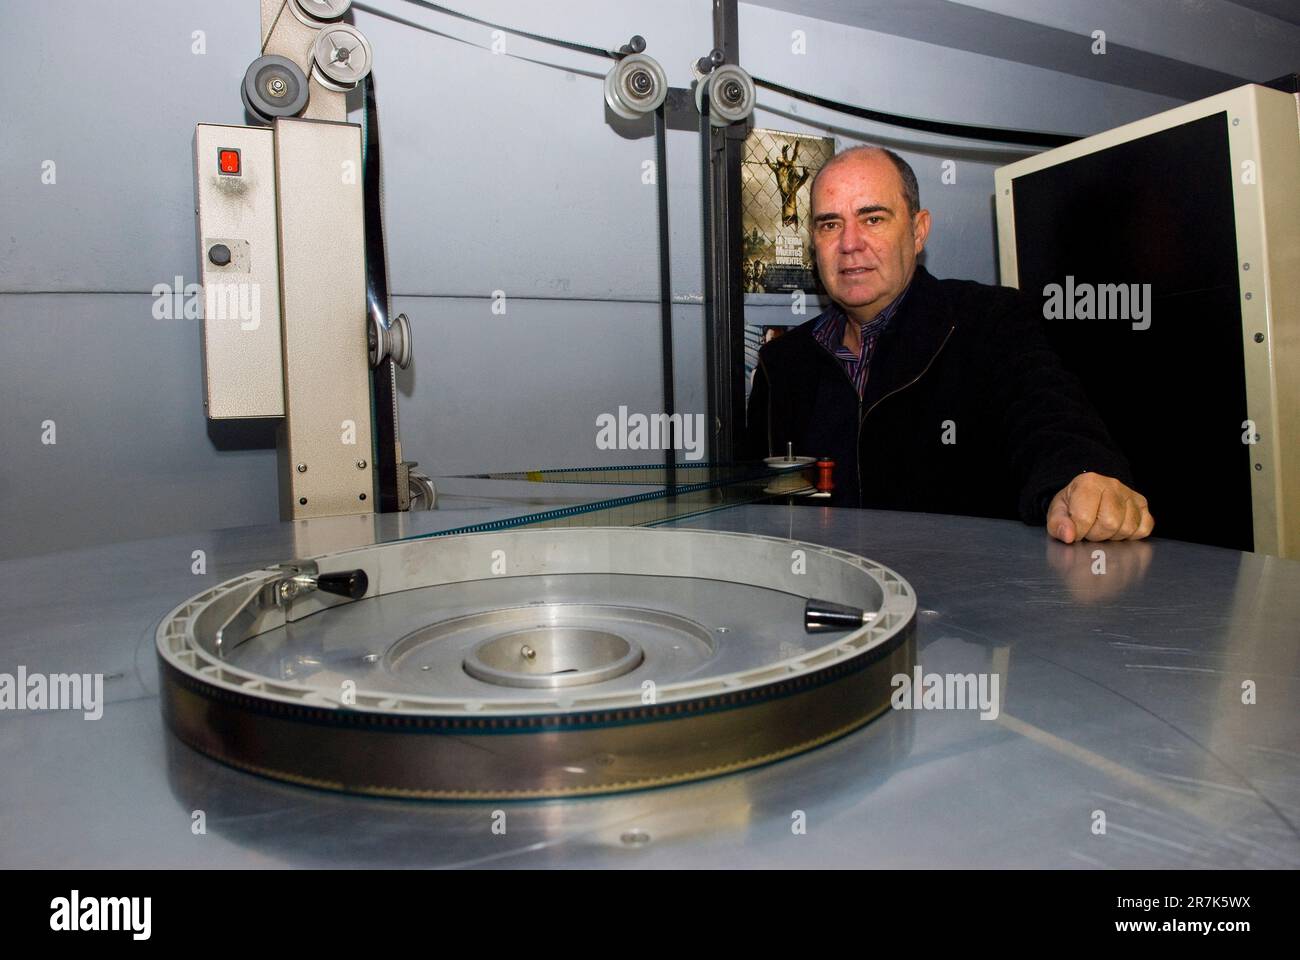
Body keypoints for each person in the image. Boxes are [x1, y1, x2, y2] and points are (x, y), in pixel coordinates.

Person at [743, 146, 1154, 543]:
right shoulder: (781, 364)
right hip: (823, 600)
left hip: (963, 604)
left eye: (872, 219)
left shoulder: (989, 321)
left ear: (918, 230)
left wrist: (1081, 477)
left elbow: (1049, 414)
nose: (850, 243)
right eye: (830, 224)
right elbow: (755, 501)